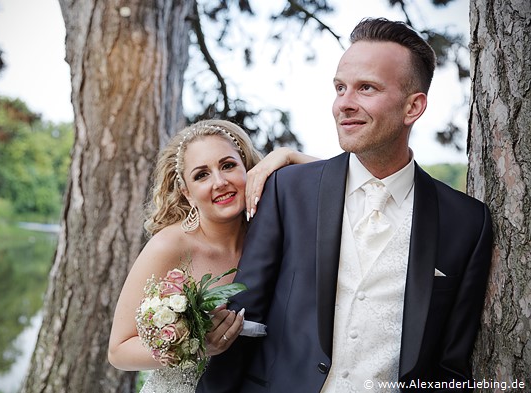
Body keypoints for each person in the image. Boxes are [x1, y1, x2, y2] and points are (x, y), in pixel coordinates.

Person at [197, 18, 493, 393]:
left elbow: (451, 364)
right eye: (340, 88)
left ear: (413, 107)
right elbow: (242, 319)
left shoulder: (467, 222)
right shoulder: (287, 190)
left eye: (366, 88)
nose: (344, 104)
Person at [107, 119, 317, 392]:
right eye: (201, 175)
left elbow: (342, 189)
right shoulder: (169, 246)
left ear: (248, 169)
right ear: (187, 194)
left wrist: (288, 155)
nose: (219, 182)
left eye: (228, 165)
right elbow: (119, 350)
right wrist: (195, 346)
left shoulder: (273, 235)